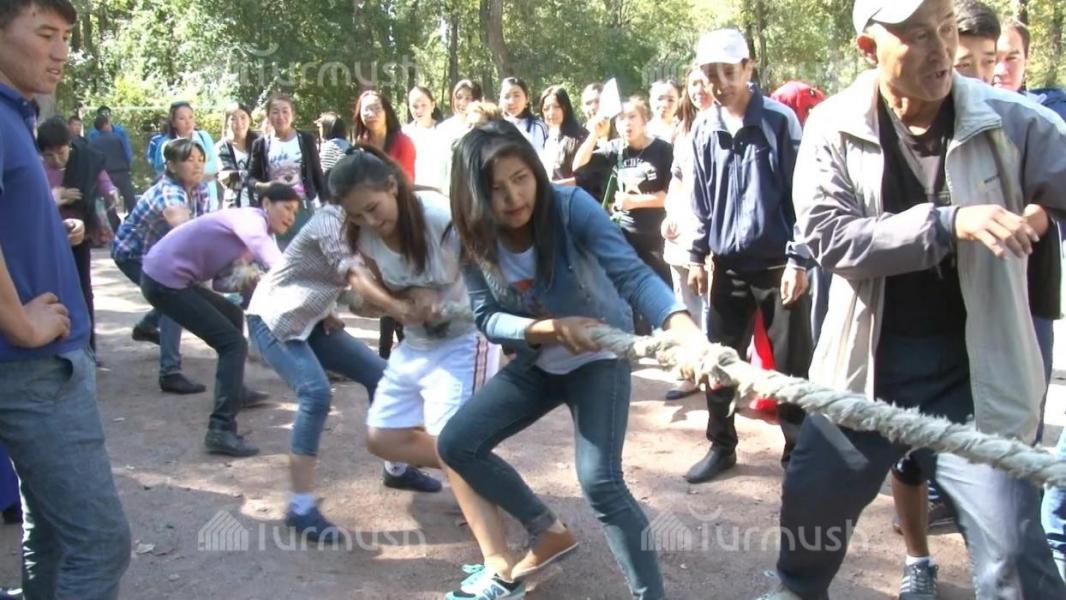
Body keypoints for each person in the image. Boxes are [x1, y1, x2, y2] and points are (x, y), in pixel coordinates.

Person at [759, 1, 1066, 598]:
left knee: (1014, 555)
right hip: (862, 375)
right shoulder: (831, 125)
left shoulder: (1013, 121)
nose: (942, 49)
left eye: (946, 28)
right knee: (808, 522)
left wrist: (1042, 210)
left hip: (977, 380)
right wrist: (949, 223)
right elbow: (831, 238)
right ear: (868, 49)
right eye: (919, 35)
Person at [437, 120, 709, 600]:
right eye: (496, 188)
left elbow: (632, 276)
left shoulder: (570, 206)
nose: (513, 197)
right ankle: (547, 530)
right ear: (473, 196)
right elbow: (486, 317)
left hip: (599, 358)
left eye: (521, 178)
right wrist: (550, 329)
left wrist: (683, 330)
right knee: (457, 443)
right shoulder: (470, 236)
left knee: (600, 482)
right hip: (538, 361)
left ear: (536, 172)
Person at [0, 1, 131, 597]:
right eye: (45, 34)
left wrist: (52, 229)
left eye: (67, 38)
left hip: (42, 362)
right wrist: (18, 322)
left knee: (50, 532)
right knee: (99, 545)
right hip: (32, 366)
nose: (61, 52)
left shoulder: (17, 113)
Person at [246, 168, 442, 543]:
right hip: (273, 318)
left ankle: (397, 469)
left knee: (382, 376)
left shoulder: (368, 222)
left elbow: (359, 295)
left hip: (313, 318)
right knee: (315, 393)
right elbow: (354, 277)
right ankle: (300, 506)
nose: (371, 217)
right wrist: (398, 308)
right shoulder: (329, 221)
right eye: (360, 208)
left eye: (373, 206)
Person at [680, 28, 813, 485]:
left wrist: (800, 259)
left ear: (748, 68)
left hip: (779, 267)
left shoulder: (779, 121)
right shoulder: (704, 127)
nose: (720, 83)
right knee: (719, 360)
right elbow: (700, 199)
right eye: (710, 73)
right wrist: (696, 255)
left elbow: (803, 197)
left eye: (728, 72)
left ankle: (798, 453)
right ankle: (721, 444)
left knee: (792, 365)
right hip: (728, 266)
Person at [991, 13, 1066, 586]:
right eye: (987, 58)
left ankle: (1037, 537)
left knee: (1024, 421)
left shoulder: (1046, 116)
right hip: (967, 297)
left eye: (1009, 57)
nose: (998, 69)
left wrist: (1030, 219)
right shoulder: (951, 114)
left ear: (1027, 61)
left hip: (1030, 292)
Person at [140, 183, 297, 457]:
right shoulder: (251, 220)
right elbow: (278, 264)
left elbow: (221, 282)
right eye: (287, 208)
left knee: (232, 315)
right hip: (164, 280)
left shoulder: (251, 233)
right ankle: (220, 429)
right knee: (233, 344)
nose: (291, 217)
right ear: (266, 204)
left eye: (295, 212)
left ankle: (235, 391)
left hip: (174, 279)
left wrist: (247, 278)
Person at [573, 96, 674, 335]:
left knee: (662, 297)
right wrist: (594, 134)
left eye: (632, 117)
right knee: (628, 298)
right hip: (623, 238)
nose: (626, 123)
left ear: (644, 119)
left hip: (656, 239)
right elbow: (578, 165)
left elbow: (672, 195)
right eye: (620, 118)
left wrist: (634, 201)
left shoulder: (662, 150)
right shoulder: (614, 150)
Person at [113, 138, 207, 395]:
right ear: (172, 166)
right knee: (174, 299)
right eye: (189, 160)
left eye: (201, 159)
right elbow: (185, 230)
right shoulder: (169, 191)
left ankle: (146, 327)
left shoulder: (199, 189)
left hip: (159, 255)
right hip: (133, 255)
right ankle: (170, 373)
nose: (197, 165)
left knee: (177, 293)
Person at [38, 115, 118, 352]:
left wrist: (111, 194)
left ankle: (87, 347)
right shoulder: (37, 169)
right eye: (49, 155)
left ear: (69, 146)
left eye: (61, 152)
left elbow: (104, 182)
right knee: (51, 292)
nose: (56, 159)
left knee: (83, 291)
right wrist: (55, 197)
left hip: (78, 238)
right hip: (48, 238)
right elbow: (32, 202)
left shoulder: (86, 160)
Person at [352, 88, 416, 359]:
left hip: (399, 219)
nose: (371, 113)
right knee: (382, 283)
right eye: (366, 109)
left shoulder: (402, 142)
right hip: (370, 222)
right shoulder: (359, 144)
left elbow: (404, 182)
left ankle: (408, 345)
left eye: (376, 107)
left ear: (386, 111)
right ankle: (385, 353)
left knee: (398, 282)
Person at [661, 67, 713, 400]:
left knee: (712, 308)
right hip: (681, 232)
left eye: (705, 82)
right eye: (693, 83)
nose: (699, 89)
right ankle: (690, 371)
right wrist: (669, 215)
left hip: (713, 237)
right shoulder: (682, 130)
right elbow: (677, 178)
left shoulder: (727, 125)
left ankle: (717, 375)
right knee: (684, 304)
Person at [249, 92, 326, 246]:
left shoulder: (305, 140)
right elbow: (250, 179)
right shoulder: (261, 144)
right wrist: (265, 186)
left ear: (292, 115)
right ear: (268, 116)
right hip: (275, 209)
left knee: (306, 251)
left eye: (285, 111)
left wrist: (327, 205)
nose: (280, 117)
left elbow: (318, 175)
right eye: (275, 112)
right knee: (280, 254)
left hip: (303, 206)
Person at [151, 101, 222, 211]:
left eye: (190, 117)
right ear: (173, 123)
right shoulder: (168, 144)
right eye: (182, 118)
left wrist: (190, 170)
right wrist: (203, 170)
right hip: (180, 199)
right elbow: (175, 175)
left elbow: (214, 167)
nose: (188, 122)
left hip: (209, 197)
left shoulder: (203, 137)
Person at [537, 85, 587, 185]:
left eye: (556, 107)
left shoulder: (580, 137)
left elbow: (588, 179)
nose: (551, 113)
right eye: (546, 109)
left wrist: (554, 186)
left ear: (565, 108)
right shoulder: (548, 139)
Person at [88, 112, 136, 215]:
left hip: (106, 174)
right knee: (130, 199)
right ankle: (135, 217)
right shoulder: (117, 138)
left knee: (109, 202)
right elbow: (126, 153)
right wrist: (128, 167)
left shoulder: (93, 143)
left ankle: (113, 219)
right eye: (109, 124)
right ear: (105, 125)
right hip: (122, 172)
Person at [403, 85, 448, 191]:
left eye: (423, 105)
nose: (419, 110)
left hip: (440, 193)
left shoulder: (446, 131)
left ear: (432, 105)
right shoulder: (405, 133)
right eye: (415, 106)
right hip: (412, 192)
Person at [216, 101, 259, 208]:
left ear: (249, 119)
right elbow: (227, 179)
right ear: (227, 122)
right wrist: (255, 178)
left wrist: (239, 175)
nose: (239, 123)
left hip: (259, 206)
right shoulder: (221, 147)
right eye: (233, 119)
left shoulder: (260, 144)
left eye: (243, 117)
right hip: (233, 206)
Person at [499, 77, 548, 152]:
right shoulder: (496, 128)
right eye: (506, 97)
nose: (511, 101)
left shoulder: (537, 127)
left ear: (527, 98)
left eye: (516, 95)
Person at [439, 79, 482, 145]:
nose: (462, 102)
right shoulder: (443, 128)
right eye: (459, 97)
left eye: (467, 98)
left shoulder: (483, 127)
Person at [314, 110, 349, 176]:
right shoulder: (348, 145)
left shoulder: (330, 147)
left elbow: (325, 174)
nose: (319, 130)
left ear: (326, 128)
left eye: (320, 127)